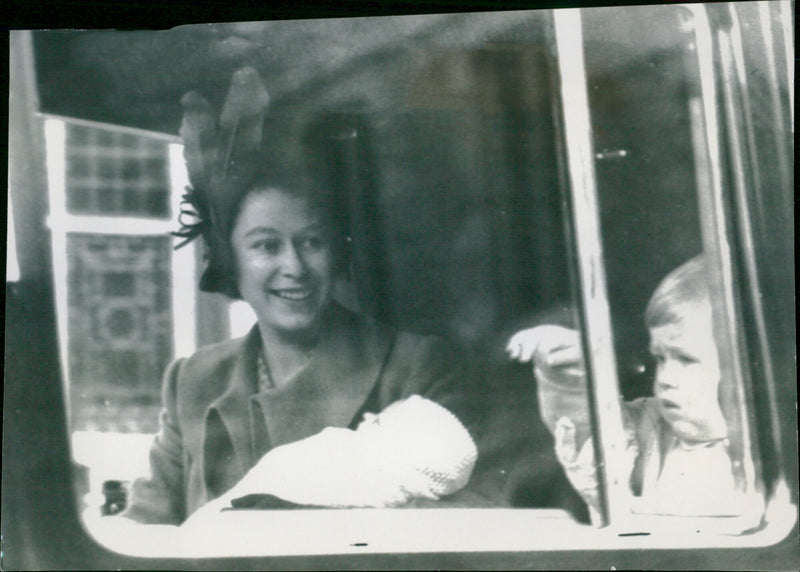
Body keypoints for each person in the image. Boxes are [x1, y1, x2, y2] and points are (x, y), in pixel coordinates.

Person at [120, 68, 480, 526]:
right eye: (266, 245)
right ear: (230, 257)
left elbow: (471, 521)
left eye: (312, 241)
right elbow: (143, 531)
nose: (293, 266)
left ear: (338, 250)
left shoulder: (414, 367)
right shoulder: (192, 381)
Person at [507, 255, 746, 523]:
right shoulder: (654, 428)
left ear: (748, 369)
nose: (665, 378)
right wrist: (571, 377)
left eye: (687, 359)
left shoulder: (769, 458)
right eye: (660, 358)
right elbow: (594, 440)